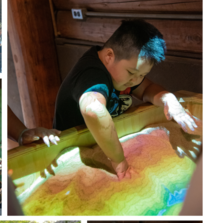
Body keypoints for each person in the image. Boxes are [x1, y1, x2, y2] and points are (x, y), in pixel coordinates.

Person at [53, 19, 199, 180]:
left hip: (102, 140)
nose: (136, 80)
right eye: (131, 73)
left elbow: (148, 89)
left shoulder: (123, 73)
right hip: (70, 149)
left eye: (142, 75)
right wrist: (118, 160)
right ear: (109, 56)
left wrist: (169, 100)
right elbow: (93, 110)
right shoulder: (92, 75)